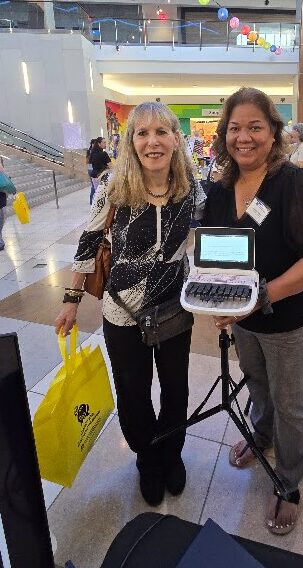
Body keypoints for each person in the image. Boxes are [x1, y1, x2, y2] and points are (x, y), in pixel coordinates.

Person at [55, 102, 205, 507]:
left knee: (176, 390)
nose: (152, 141)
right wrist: (70, 302)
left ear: (176, 138)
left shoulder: (192, 187)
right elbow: (88, 244)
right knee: (134, 394)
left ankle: (172, 454)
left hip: (174, 307)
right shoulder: (112, 187)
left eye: (161, 132)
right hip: (122, 312)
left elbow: (213, 234)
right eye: (142, 133)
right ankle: (147, 458)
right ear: (131, 141)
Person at [202, 87, 303, 535]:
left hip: (290, 321)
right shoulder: (221, 188)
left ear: (273, 132)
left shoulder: (295, 183)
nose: (244, 137)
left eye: (255, 127)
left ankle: (289, 482)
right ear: (224, 135)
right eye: (235, 128)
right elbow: (219, 254)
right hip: (246, 321)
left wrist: (264, 295)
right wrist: (216, 295)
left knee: (290, 403)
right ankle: (261, 436)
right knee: (257, 385)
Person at [89, 137, 111, 204]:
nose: (105, 144)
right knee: (105, 196)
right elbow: (111, 166)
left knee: (97, 194)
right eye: (104, 142)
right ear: (99, 144)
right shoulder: (104, 154)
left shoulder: (92, 153)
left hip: (94, 177)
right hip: (103, 177)